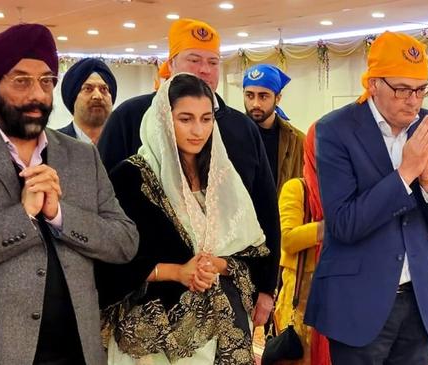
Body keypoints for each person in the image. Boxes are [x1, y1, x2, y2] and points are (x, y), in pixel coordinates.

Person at [0, 24, 139, 365]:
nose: (37, 94)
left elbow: (125, 241)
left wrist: (60, 216)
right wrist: (20, 217)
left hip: (75, 350)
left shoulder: (81, 156)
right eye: (21, 80)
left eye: (46, 81)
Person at [97, 18, 280, 327]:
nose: (204, 70)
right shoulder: (132, 117)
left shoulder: (241, 128)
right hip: (150, 306)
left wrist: (266, 286)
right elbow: (104, 211)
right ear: (171, 63)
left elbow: (264, 209)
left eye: (212, 62)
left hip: (226, 298)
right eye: (194, 60)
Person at [304, 31, 428, 365]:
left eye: (421, 89)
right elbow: (345, 224)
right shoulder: (334, 130)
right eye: (402, 89)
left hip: (419, 303)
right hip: (357, 303)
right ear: (373, 84)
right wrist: (405, 174)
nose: (414, 100)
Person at [95, 73, 269, 364]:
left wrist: (220, 264)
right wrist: (177, 272)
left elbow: (254, 253)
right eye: (185, 119)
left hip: (221, 332)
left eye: (206, 119)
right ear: (164, 118)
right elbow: (109, 261)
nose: (198, 130)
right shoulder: (131, 177)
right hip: (153, 339)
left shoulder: (221, 178)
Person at [274, 122, 330, 364]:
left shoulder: (347, 190)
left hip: (338, 292)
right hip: (301, 299)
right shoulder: (297, 188)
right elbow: (287, 239)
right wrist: (327, 229)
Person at [243, 64, 304, 195]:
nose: (255, 104)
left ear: (278, 98)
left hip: (281, 213)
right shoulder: (230, 134)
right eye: (250, 95)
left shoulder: (296, 141)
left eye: (263, 96)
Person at [58, 58, 117, 144]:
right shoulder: (51, 145)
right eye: (88, 89)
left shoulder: (127, 144)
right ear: (73, 97)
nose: (97, 96)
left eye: (104, 89)